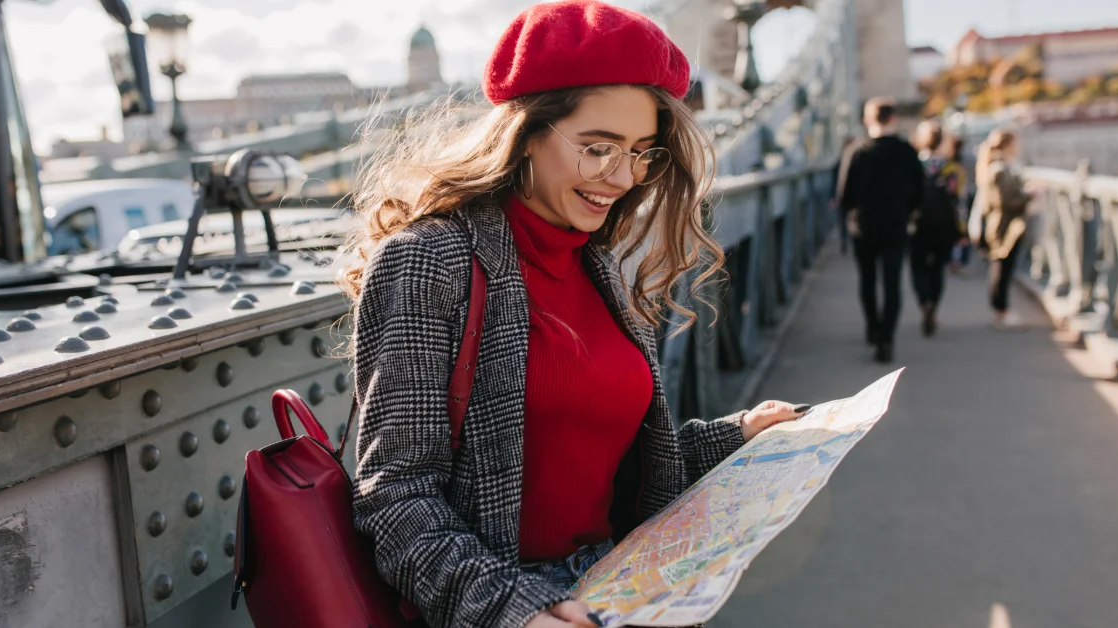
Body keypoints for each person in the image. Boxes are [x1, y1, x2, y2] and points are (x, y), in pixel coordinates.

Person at [340, 3, 808, 627]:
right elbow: (396, 498)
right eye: (597, 148)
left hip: (621, 591)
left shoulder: (598, 261)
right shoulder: (433, 262)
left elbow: (609, 461)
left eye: (643, 152)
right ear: (527, 132)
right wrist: (520, 611)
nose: (622, 178)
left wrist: (740, 435)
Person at [837, 97, 925, 363]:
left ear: (868, 120)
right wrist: (906, 212)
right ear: (893, 119)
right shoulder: (907, 151)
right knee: (892, 283)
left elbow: (844, 196)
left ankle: (873, 329)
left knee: (867, 282)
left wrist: (852, 217)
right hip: (896, 226)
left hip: (864, 228)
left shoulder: (858, 151)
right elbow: (919, 193)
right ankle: (887, 338)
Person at [908, 120, 964, 337]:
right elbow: (960, 201)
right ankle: (934, 306)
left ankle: (924, 302)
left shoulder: (913, 166)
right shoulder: (952, 168)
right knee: (938, 268)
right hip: (944, 225)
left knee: (918, 267)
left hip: (918, 225)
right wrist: (962, 231)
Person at [973, 128, 1033, 329]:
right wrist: (1029, 195)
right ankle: (1002, 312)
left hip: (1002, 226)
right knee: (1002, 270)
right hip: (1004, 228)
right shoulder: (998, 169)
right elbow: (1004, 200)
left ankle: (1001, 311)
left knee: (1001, 269)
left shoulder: (995, 167)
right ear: (1007, 145)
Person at [943, 134, 972, 273]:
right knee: (963, 233)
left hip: (952, 203)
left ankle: (952, 261)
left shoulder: (947, 164)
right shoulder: (962, 163)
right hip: (962, 201)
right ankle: (961, 262)